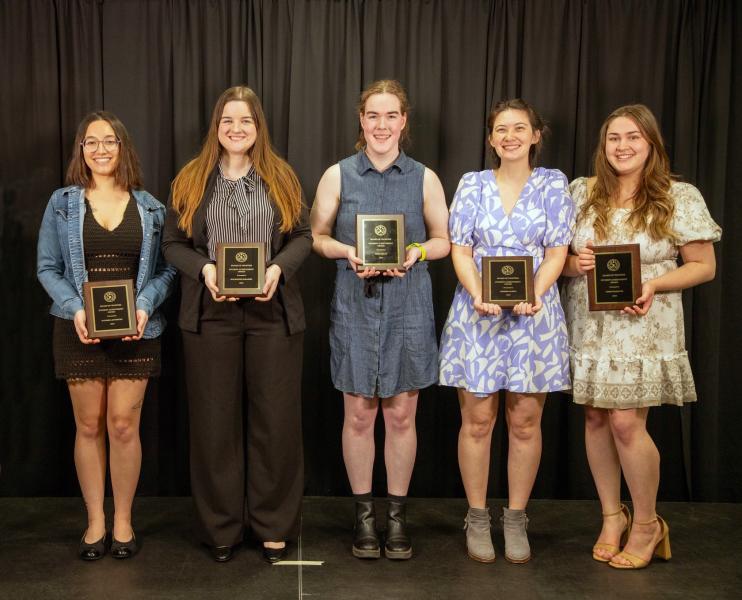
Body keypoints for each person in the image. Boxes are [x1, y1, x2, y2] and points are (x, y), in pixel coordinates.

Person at [561, 104, 721, 569]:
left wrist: (653, 284)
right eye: (614, 138)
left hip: (645, 323)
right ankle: (613, 516)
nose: (622, 146)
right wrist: (577, 265)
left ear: (651, 143)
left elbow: (703, 267)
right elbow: (559, 261)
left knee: (627, 423)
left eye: (633, 137)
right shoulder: (581, 194)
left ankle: (648, 523)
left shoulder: (678, 195)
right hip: (591, 321)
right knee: (594, 419)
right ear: (603, 145)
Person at [162, 86, 311, 563]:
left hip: (272, 313)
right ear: (216, 127)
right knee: (214, 423)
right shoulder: (190, 179)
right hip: (210, 315)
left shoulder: (282, 177)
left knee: (275, 422)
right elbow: (172, 244)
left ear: (257, 127)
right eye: (228, 120)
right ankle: (221, 527)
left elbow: (303, 237)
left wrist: (276, 269)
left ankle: (272, 525)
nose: (236, 128)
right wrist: (206, 269)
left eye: (245, 120)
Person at [310, 79, 449, 560]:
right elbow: (317, 237)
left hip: (409, 303)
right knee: (358, 414)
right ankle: (364, 518)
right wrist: (347, 251)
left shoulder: (424, 177)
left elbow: (442, 241)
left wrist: (414, 252)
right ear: (361, 120)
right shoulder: (338, 175)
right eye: (373, 116)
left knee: (402, 413)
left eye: (391, 116)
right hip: (355, 302)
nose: (382, 125)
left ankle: (396, 518)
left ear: (404, 121)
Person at [439, 99, 574, 564]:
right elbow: (460, 249)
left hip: (535, 314)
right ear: (491, 139)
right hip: (478, 313)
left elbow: (557, 251)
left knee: (525, 422)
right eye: (501, 129)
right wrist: (479, 292)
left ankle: (515, 518)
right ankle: (477, 517)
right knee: (477, 422)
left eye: (520, 128)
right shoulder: (472, 184)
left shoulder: (554, 184)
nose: (510, 136)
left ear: (537, 135)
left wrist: (533, 291)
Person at [37, 111, 176, 560]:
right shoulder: (61, 203)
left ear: (123, 148)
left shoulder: (151, 207)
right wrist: (77, 309)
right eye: (91, 142)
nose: (101, 149)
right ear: (81, 150)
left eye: (109, 141)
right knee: (89, 425)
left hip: (137, 330)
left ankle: (123, 522)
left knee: (122, 425)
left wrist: (143, 305)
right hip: (77, 329)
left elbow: (167, 269)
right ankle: (96, 520)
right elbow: (47, 268)